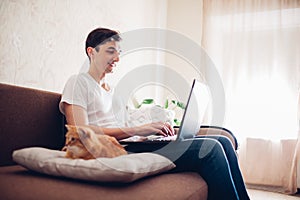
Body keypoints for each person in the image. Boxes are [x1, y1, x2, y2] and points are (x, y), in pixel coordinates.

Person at [59, 27, 250, 200]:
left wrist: (146, 134)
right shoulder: (78, 82)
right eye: (111, 51)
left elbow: (122, 128)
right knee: (212, 149)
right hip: (110, 150)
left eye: (119, 52)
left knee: (223, 141)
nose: (117, 58)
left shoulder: (112, 90)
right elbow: (79, 130)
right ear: (91, 52)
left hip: (130, 145)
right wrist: (137, 130)